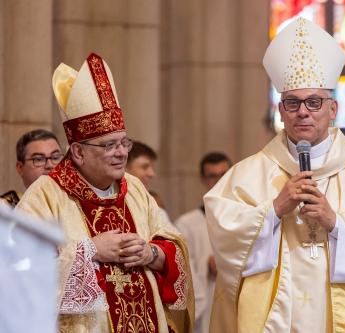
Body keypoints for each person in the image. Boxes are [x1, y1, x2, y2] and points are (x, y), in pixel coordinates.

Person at [204, 18, 345, 333]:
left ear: (333, 108)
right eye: (292, 102)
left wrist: (337, 224)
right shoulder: (249, 173)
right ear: (281, 111)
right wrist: (273, 211)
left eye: (314, 102)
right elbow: (225, 238)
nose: (303, 111)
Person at [16, 53, 193, 333]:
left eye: (124, 142)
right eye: (109, 145)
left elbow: (173, 245)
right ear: (78, 151)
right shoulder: (45, 196)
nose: (121, 152)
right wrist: (90, 251)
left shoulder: (134, 188)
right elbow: (19, 272)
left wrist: (152, 254)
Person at [176, 152, 232, 333]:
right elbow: (181, 267)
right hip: (207, 300)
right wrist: (204, 265)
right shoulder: (187, 224)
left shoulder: (248, 216)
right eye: (212, 176)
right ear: (202, 179)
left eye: (223, 174)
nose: (218, 181)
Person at [1, 129, 63, 207]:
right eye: (39, 159)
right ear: (20, 168)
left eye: (55, 157)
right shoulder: (7, 209)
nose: (50, 165)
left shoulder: (75, 203)